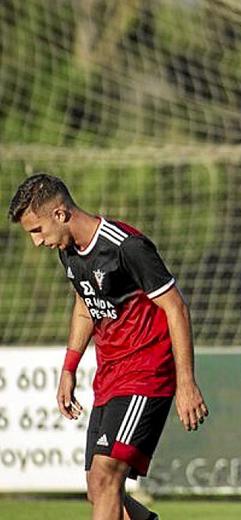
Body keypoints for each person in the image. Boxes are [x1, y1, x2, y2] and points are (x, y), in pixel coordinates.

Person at [9, 174, 209, 520]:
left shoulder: (126, 246)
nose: (37, 242)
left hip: (147, 373)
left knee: (105, 478)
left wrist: (186, 383)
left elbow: (176, 306)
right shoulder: (70, 253)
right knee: (97, 488)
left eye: (37, 231)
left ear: (60, 214)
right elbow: (86, 305)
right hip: (110, 376)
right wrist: (69, 368)